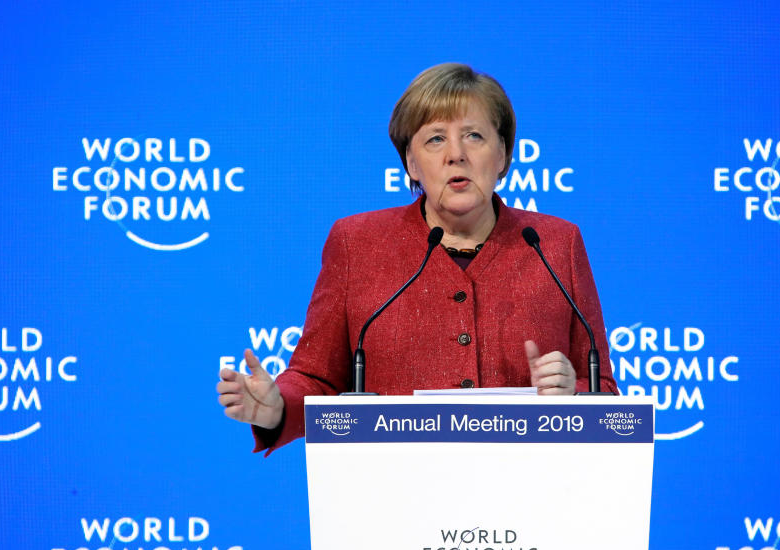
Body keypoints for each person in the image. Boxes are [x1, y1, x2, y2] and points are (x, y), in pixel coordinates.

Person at [217, 63, 618, 455]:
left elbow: (605, 390)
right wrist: (277, 409)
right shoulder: (357, 244)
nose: (456, 155)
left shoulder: (554, 243)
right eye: (435, 140)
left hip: (532, 495)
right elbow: (315, 376)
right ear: (411, 162)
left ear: (504, 155)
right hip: (393, 499)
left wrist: (575, 393)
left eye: (474, 136)